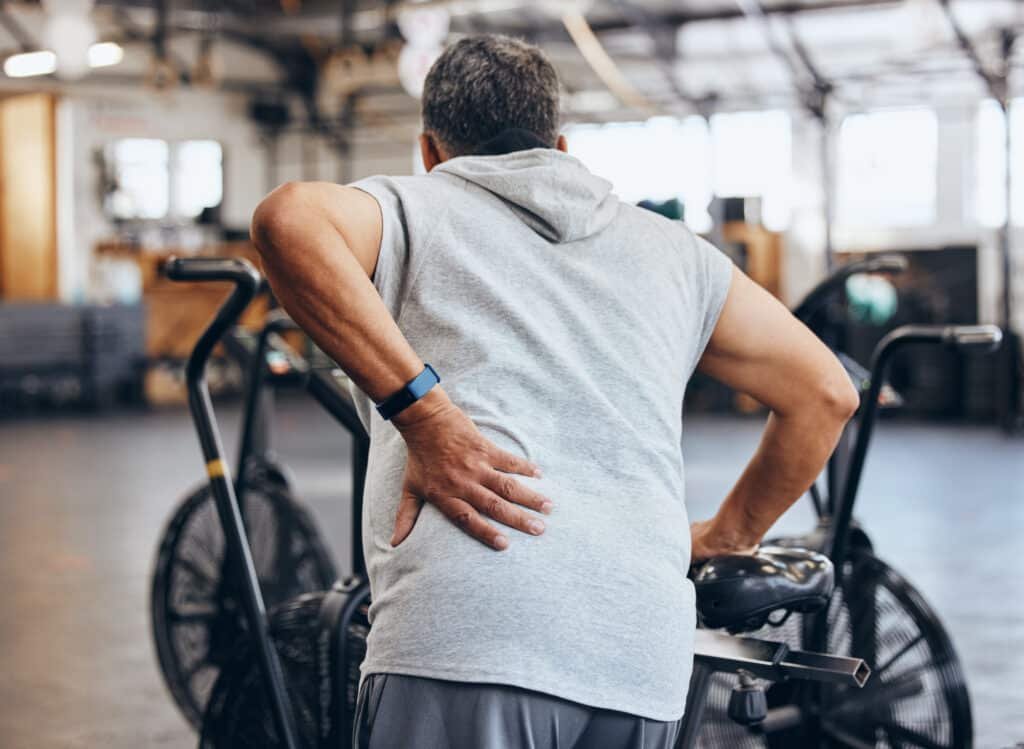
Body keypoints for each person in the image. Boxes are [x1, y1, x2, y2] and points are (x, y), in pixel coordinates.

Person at [251, 34, 858, 749]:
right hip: (642, 654)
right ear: (562, 144)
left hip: (469, 638)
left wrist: (427, 415)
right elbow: (826, 393)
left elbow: (286, 222)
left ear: (430, 150)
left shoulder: (418, 205)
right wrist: (728, 536)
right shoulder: (672, 251)